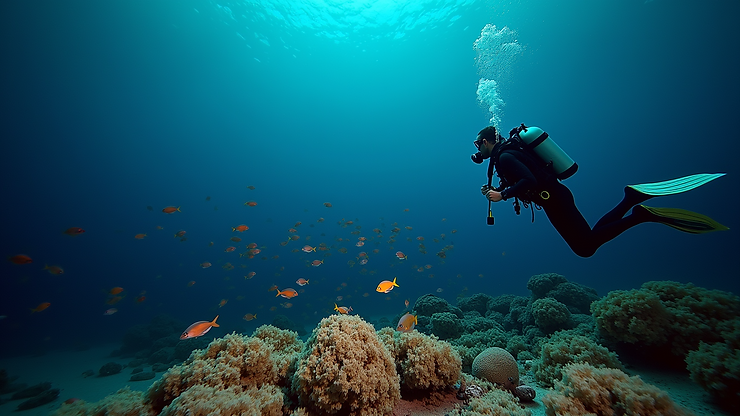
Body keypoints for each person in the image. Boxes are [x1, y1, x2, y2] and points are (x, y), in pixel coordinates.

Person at [472, 125, 728, 257]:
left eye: (477, 144)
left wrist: (502, 195)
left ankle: (639, 214)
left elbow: (529, 181)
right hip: (555, 198)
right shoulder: (509, 153)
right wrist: (499, 189)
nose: (477, 150)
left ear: (485, 141)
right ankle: (631, 200)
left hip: (555, 199)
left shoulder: (504, 157)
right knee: (588, 241)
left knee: (586, 247)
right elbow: (525, 178)